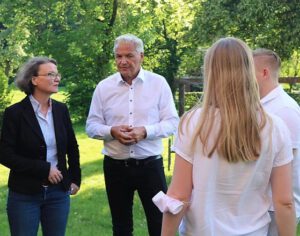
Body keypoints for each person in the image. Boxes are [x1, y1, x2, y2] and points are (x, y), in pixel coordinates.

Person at [158, 37, 296, 235]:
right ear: (248, 70)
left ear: (211, 72)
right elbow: (284, 202)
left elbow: (179, 195)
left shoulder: (193, 123)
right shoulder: (274, 127)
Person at [86, 33, 179, 236]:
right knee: (120, 226)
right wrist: (111, 131)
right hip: (115, 166)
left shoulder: (158, 83)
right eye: (119, 56)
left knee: (159, 223)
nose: (123, 61)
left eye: (129, 55)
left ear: (142, 56)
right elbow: (91, 126)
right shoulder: (104, 87)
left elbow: (172, 123)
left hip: (150, 166)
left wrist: (146, 131)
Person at [0, 57, 81, 236]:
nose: (57, 78)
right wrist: (44, 169)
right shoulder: (15, 113)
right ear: (34, 80)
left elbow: (72, 147)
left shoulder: (61, 110)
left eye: (57, 74)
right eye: (50, 74)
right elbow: (5, 154)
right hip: (24, 195)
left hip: (58, 194)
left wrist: (75, 179)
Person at [253, 48, 300, 235]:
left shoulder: (286, 110)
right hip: (261, 204)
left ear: (264, 73)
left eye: (247, 70)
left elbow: (287, 165)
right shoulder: (261, 105)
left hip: (276, 207)